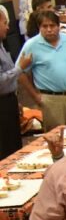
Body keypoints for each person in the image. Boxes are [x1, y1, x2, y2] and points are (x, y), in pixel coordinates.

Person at [17, 10, 66, 130]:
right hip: (51, 99)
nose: (49, 29)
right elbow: (20, 72)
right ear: (39, 27)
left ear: (59, 26)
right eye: (44, 26)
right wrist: (35, 95)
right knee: (56, 136)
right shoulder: (31, 45)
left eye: (52, 26)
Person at [0, 10, 23, 157]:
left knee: (15, 146)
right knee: (6, 149)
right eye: (4, 23)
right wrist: (19, 69)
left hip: (9, 101)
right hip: (1, 106)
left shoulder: (2, 45)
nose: (8, 27)